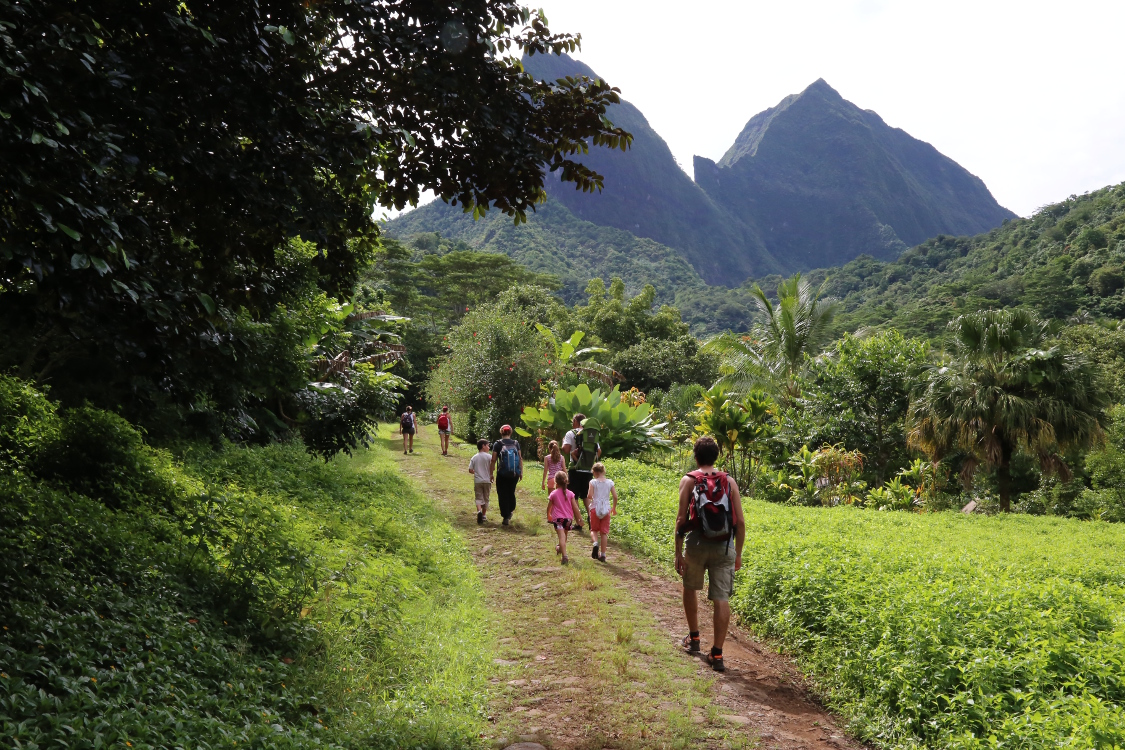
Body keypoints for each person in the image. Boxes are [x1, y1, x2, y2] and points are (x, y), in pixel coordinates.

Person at [674, 436, 745, 673]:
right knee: (721, 598)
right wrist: (738, 554)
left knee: (690, 587)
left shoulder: (688, 480)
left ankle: (694, 640)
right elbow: (741, 523)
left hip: (696, 542)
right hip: (725, 545)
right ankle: (717, 653)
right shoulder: (729, 482)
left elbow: (681, 519)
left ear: (696, 456)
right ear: (716, 457)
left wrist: (678, 552)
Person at [562, 413, 600, 541]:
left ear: (576, 422)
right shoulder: (592, 434)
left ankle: (579, 522)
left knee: (574, 496)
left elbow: (566, 450)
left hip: (575, 468)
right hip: (588, 469)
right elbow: (598, 451)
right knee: (586, 496)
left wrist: (564, 442)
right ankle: (591, 520)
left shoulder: (571, 433)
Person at [546, 471, 583, 565]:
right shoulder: (570, 494)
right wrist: (579, 519)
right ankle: (559, 548)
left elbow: (549, 507)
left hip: (558, 519)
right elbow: (575, 508)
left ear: (556, 482)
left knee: (561, 537)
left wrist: (548, 515)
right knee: (564, 536)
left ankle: (565, 556)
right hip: (568, 519)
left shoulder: (554, 493)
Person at [490, 424, 523, 526]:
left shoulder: (498, 444)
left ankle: (505, 515)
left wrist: (491, 473)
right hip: (514, 474)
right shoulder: (516, 443)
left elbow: (493, 459)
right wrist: (521, 471)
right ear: (511, 432)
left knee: (502, 493)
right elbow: (520, 458)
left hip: (502, 474)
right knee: (511, 491)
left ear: (501, 432)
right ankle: (510, 510)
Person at [586, 462, 618, 563]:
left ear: (595, 472)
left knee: (594, 530)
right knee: (604, 533)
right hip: (606, 509)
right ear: (603, 471)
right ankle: (603, 555)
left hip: (595, 508)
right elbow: (615, 496)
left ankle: (595, 543)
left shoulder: (593, 482)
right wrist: (613, 508)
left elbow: (589, 496)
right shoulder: (610, 482)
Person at [468, 438, 492, 524]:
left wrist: (476, 471)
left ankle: (479, 511)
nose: (489, 447)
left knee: (478, 497)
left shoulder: (474, 457)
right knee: (486, 498)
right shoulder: (489, 457)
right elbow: (492, 468)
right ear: (483, 446)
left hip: (478, 481)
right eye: (488, 445)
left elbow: (470, 470)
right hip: (487, 480)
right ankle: (484, 515)